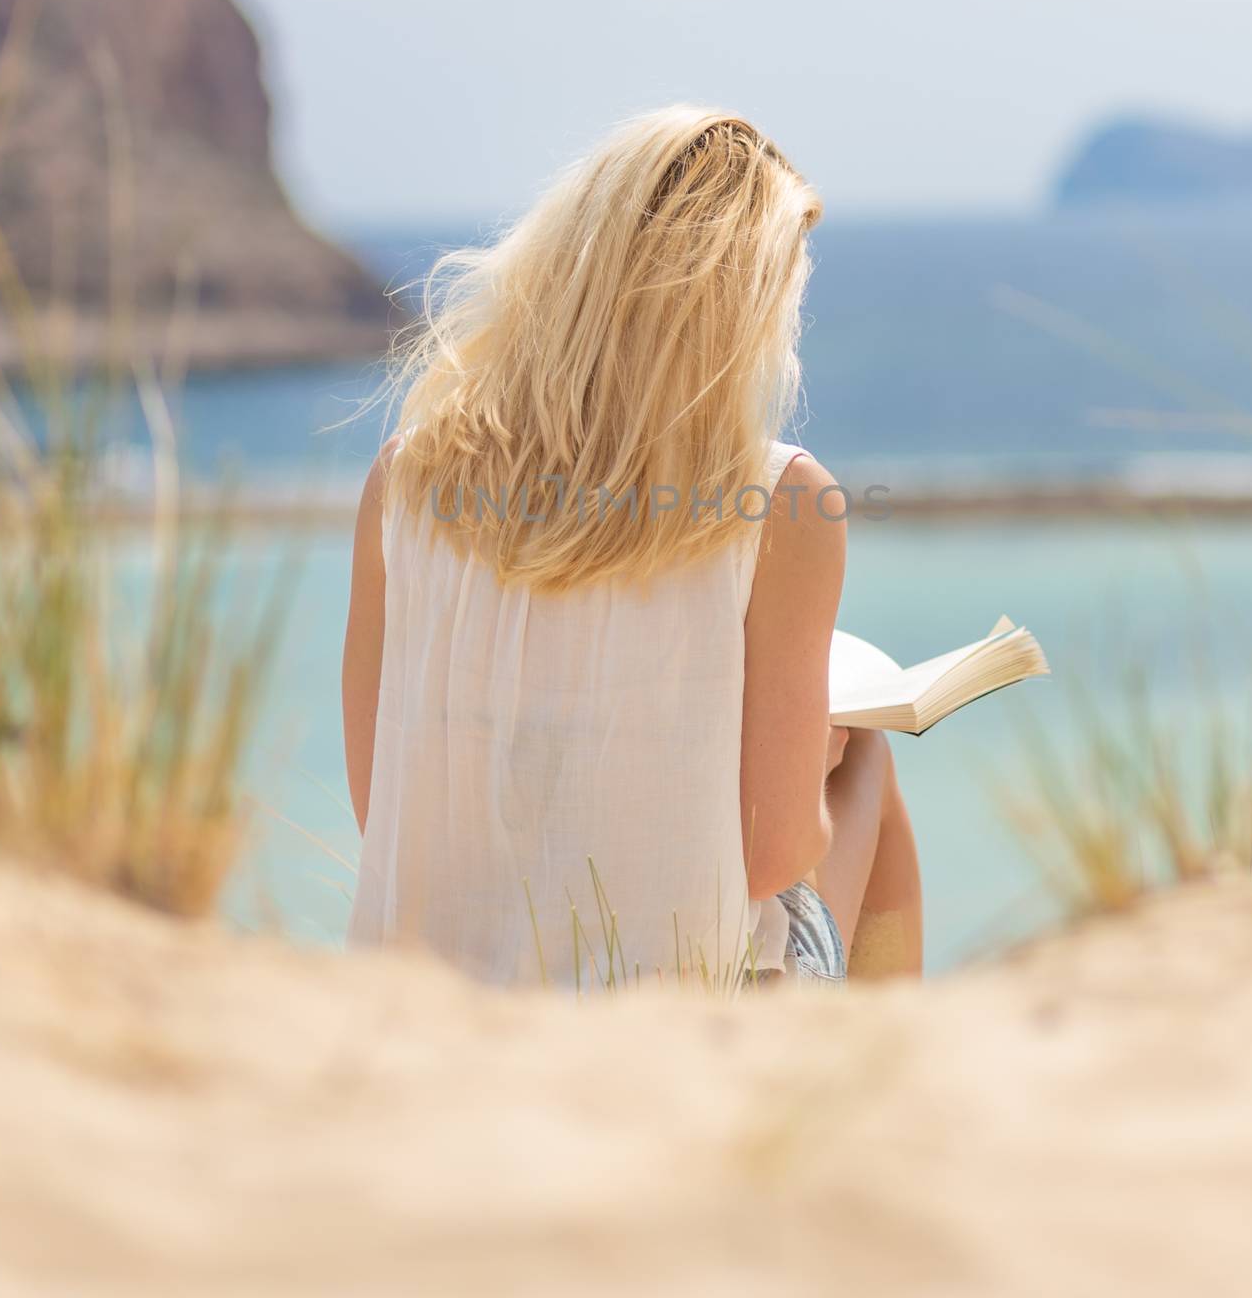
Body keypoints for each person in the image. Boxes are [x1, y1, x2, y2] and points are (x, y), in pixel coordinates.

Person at [341, 107, 922, 989]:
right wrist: (817, 760)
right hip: (676, 1010)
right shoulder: (780, 499)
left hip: (438, 1005)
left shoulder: (404, 481)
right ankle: (866, 1104)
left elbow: (378, 800)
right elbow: (772, 857)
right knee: (871, 763)